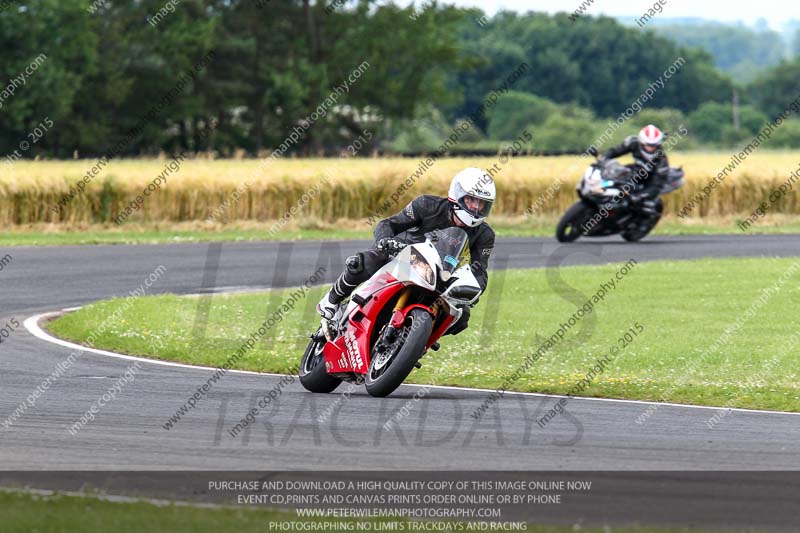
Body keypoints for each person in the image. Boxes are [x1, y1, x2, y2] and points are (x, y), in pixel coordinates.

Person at [317, 167, 496, 336]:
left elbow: (479, 270)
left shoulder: (485, 235)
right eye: (472, 200)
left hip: (439, 276)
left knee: (461, 317)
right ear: (458, 195)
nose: (476, 208)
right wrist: (385, 241)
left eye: (482, 204)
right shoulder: (427, 205)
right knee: (363, 262)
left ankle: (416, 342)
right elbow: (388, 224)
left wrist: (474, 291)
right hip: (401, 257)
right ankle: (331, 301)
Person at [602, 124, 669, 208]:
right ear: (641, 141)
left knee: (637, 202)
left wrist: (641, 196)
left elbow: (658, 184)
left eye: (653, 145)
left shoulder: (661, 159)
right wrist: (603, 159)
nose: (650, 147)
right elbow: (615, 151)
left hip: (649, 179)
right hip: (635, 169)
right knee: (618, 176)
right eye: (648, 144)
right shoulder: (633, 143)